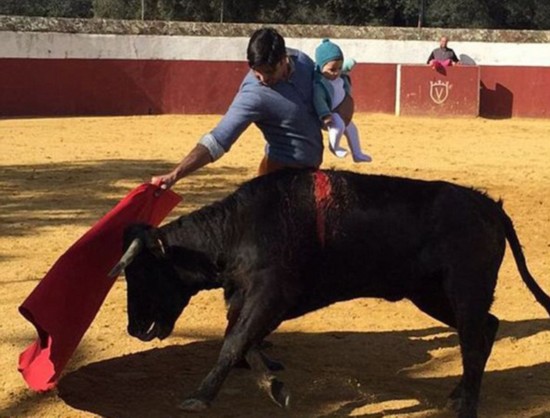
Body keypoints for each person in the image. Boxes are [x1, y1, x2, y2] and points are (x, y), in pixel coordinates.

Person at [151, 27, 352, 190]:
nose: (263, 79)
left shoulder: (302, 61)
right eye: (257, 72)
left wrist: (344, 109)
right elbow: (218, 140)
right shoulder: (253, 95)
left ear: (284, 60)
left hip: (310, 176)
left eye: (269, 71)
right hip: (277, 182)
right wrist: (175, 174)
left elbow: (328, 93)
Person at [312, 39, 372, 163]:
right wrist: (325, 114)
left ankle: (357, 154)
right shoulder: (319, 84)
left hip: (341, 113)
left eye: (339, 68)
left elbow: (344, 67)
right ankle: (335, 147)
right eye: (332, 69)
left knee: (352, 128)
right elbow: (319, 100)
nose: (336, 73)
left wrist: (350, 64)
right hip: (330, 115)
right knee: (338, 125)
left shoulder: (338, 74)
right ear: (320, 67)